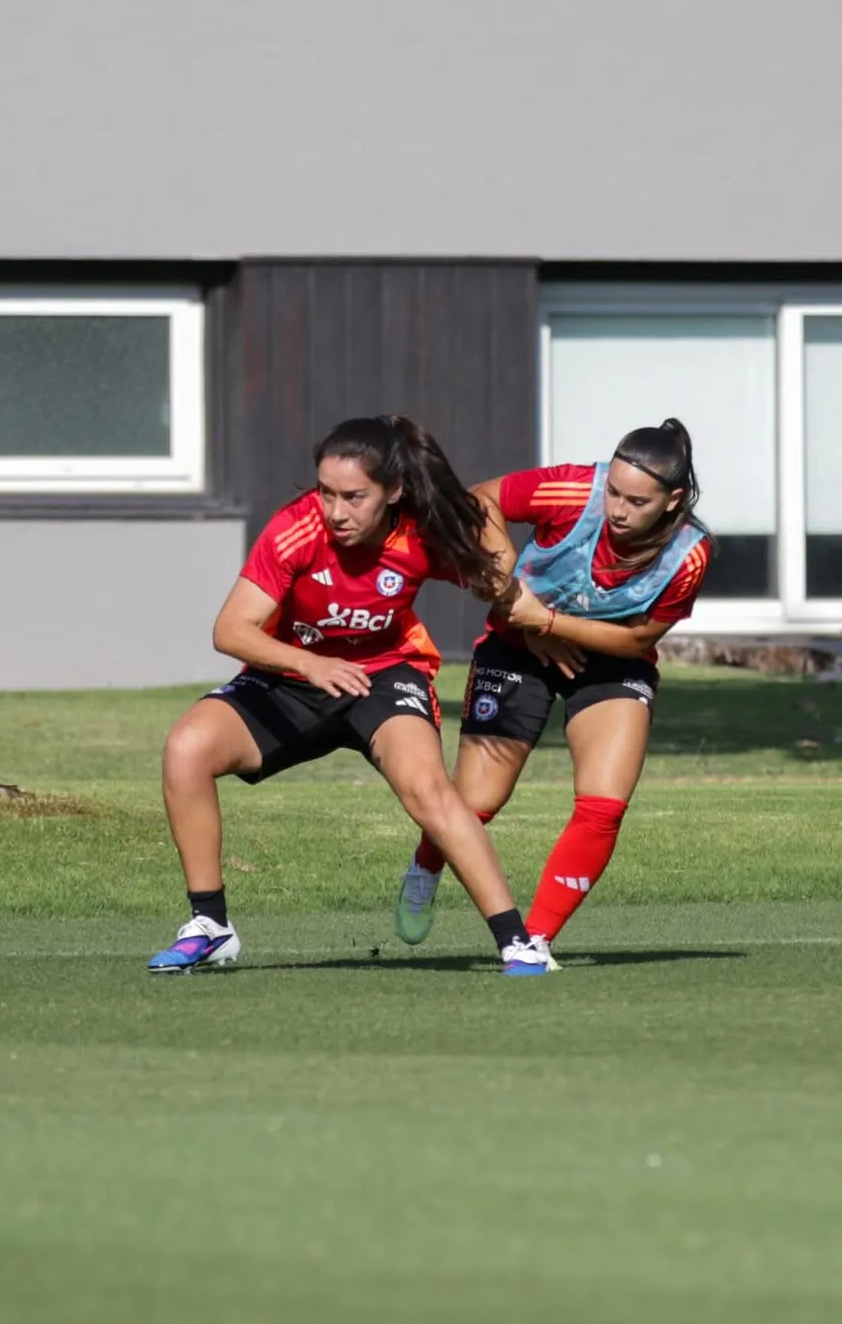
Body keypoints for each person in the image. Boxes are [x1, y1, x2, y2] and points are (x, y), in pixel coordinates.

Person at [149, 414, 550, 975]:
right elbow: (231, 630)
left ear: (394, 492)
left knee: (429, 789)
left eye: (354, 496)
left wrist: (508, 586)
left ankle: (516, 941)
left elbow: (489, 549)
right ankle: (210, 926)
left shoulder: (420, 531)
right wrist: (310, 663)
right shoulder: (296, 529)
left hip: (386, 676)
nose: (336, 511)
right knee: (186, 748)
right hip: (294, 674)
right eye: (327, 492)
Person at [394, 417, 713, 973]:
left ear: (673, 500)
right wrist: (513, 595)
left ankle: (534, 941)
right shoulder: (571, 489)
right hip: (517, 642)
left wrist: (550, 622)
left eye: (636, 501)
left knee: (604, 804)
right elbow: (483, 499)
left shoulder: (690, 554)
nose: (616, 509)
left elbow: (638, 637)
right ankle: (426, 865)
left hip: (610, 655)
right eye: (613, 491)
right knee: (476, 803)